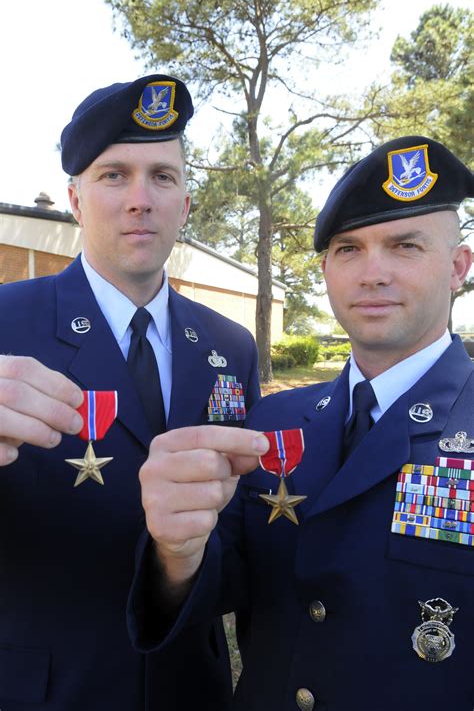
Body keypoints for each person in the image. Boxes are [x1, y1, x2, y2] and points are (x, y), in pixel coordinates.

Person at [129, 136, 474, 710]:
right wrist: (177, 551)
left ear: (459, 266)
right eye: (348, 250)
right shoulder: (275, 420)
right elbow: (223, 587)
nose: (372, 273)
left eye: (405, 246)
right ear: (325, 270)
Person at [0, 74, 260, 709]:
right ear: (74, 199)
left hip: (188, 690)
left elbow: (242, 532)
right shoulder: (7, 323)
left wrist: (181, 562)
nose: (140, 198)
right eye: (114, 175)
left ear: (186, 203)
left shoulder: (232, 346)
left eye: (162, 176)